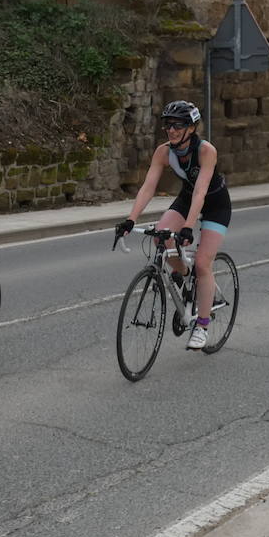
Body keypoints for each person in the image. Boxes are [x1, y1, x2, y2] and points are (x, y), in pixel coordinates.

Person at [114, 100, 231, 350]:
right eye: (168, 125)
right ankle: (185, 277)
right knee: (160, 237)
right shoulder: (163, 152)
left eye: (178, 125)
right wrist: (130, 219)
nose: (172, 130)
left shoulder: (206, 150)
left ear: (191, 128)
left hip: (215, 204)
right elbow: (148, 187)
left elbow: (201, 191)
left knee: (202, 263)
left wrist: (188, 227)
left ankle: (202, 324)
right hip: (186, 199)